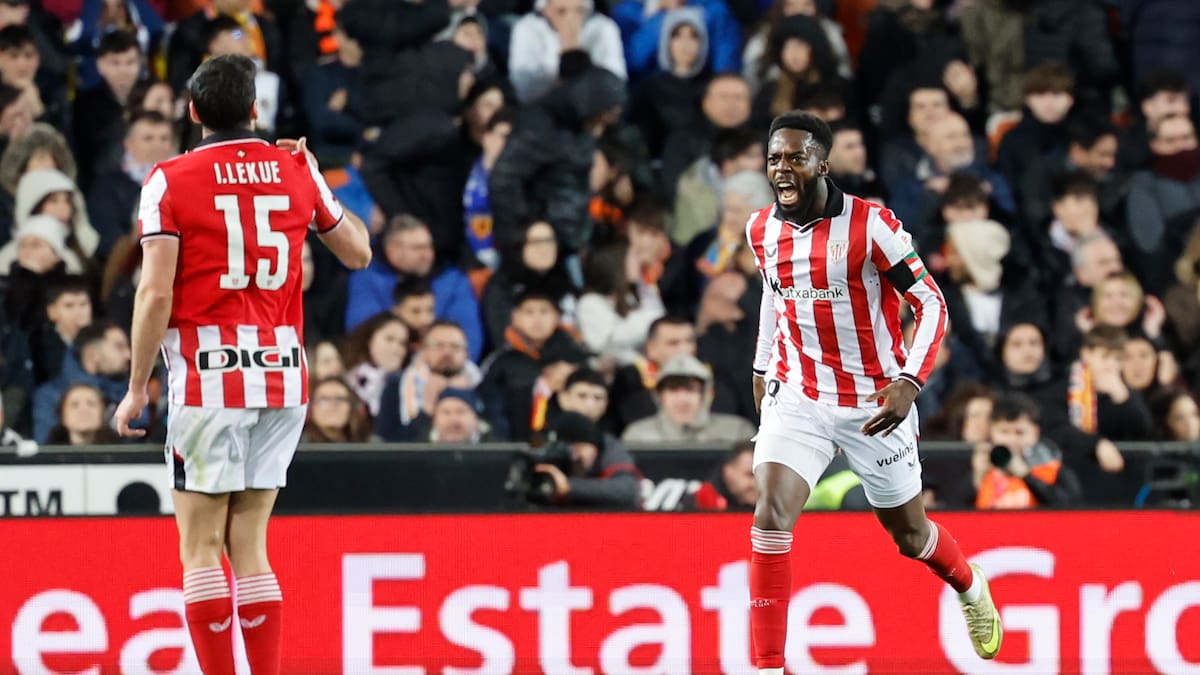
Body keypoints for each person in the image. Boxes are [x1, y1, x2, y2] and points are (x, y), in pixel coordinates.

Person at [113, 54, 371, 675]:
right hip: (284, 375)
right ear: (256, 110)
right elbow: (358, 252)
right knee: (249, 546)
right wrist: (311, 174)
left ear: (193, 112)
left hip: (210, 375)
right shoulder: (294, 170)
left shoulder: (168, 179)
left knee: (201, 549)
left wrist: (135, 388)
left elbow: (154, 292)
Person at [745, 112, 1002, 673]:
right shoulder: (760, 228)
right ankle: (767, 666)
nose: (782, 169)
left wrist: (909, 381)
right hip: (800, 393)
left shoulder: (872, 226)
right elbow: (773, 295)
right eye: (773, 158)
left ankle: (966, 581)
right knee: (769, 515)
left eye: (795, 157)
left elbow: (931, 303)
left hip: (873, 403)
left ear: (822, 164)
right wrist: (763, 364)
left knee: (910, 537)